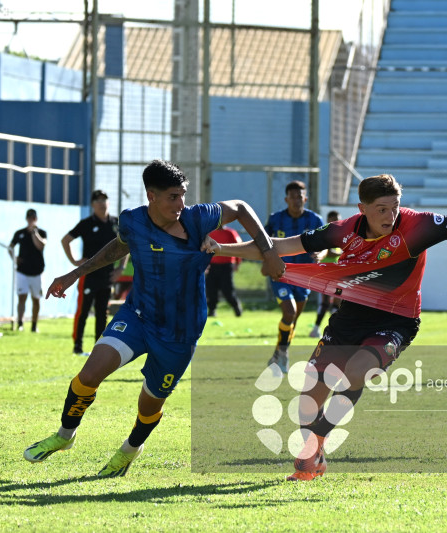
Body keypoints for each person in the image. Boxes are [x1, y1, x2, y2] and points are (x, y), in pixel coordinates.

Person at [203, 173, 447, 481]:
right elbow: (279, 247)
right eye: (381, 209)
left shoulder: (419, 226)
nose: (390, 215)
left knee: (356, 372)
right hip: (350, 317)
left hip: (398, 321)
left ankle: (314, 443)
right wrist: (222, 249)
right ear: (362, 208)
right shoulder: (343, 230)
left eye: (395, 206)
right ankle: (316, 455)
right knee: (309, 397)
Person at [22, 159, 285, 478]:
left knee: (149, 404)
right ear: (152, 196)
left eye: (183, 194)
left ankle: (129, 451)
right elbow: (118, 248)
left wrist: (268, 249)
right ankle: (65, 436)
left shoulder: (198, 218)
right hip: (137, 317)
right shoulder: (133, 221)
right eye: (173, 196)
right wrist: (74, 273)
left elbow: (241, 207)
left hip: (180, 332)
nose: (181, 203)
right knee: (88, 375)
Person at [264, 180, 325, 373]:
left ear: (305, 198)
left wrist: (321, 254)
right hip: (281, 273)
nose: (296, 200)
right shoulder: (275, 219)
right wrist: (267, 262)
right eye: (293, 197)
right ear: (286, 199)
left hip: (305, 275)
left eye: (300, 197)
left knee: (293, 321)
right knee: (289, 313)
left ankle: (278, 355)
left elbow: (325, 243)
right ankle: (283, 357)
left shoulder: (315, 220)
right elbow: (263, 242)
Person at [61, 190, 128, 356]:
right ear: (92, 204)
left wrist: (120, 268)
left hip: (107, 275)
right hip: (88, 275)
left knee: (102, 312)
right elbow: (66, 240)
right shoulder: (87, 223)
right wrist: (75, 262)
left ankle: (99, 347)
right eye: (98, 200)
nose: (102, 203)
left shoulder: (115, 223)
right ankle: (77, 346)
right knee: (83, 311)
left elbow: (126, 245)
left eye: (104, 199)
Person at [9, 208, 47, 332]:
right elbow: (10, 247)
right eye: (29, 218)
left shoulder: (41, 232)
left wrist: (34, 233)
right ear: (27, 219)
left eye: (33, 218)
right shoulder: (19, 233)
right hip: (22, 271)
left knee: (36, 299)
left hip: (37, 272)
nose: (31, 220)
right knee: (22, 297)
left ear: (36, 219)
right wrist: (14, 258)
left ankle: (34, 325)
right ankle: (20, 323)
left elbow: (41, 246)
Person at [309, 210, 343, 338]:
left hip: (337, 272)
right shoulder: (325, 234)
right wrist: (341, 254)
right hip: (325, 273)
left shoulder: (341, 235)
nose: (335, 222)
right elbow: (327, 252)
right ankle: (315, 329)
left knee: (337, 302)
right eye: (333, 220)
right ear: (328, 220)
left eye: (337, 220)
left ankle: (333, 329)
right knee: (325, 303)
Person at [205, 225, 243, 317]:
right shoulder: (209, 233)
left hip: (226, 265)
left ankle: (236, 306)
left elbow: (239, 247)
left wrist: (237, 263)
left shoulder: (230, 232)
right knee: (211, 289)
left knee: (227, 290)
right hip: (212, 266)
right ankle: (212, 310)